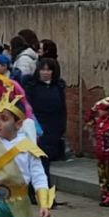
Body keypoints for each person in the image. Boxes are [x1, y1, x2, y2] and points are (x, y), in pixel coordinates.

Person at [24, 58, 67, 188]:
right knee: (39, 160)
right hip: (37, 128)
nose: (45, 72)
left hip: (53, 128)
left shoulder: (58, 87)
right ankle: (41, 191)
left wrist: (61, 128)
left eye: (48, 69)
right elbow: (28, 109)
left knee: (47, 160)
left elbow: (62, 109)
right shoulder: (32, 86)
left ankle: (43, 191)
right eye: (43, 69)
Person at [86, 97, 109, 207]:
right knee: (102, 176)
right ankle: (104, 194)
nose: (99, 111)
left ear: (108, 110)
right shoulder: (99, 121)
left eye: (101, 109)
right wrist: (92, 110)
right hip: (100, 153)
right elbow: (88, 121)